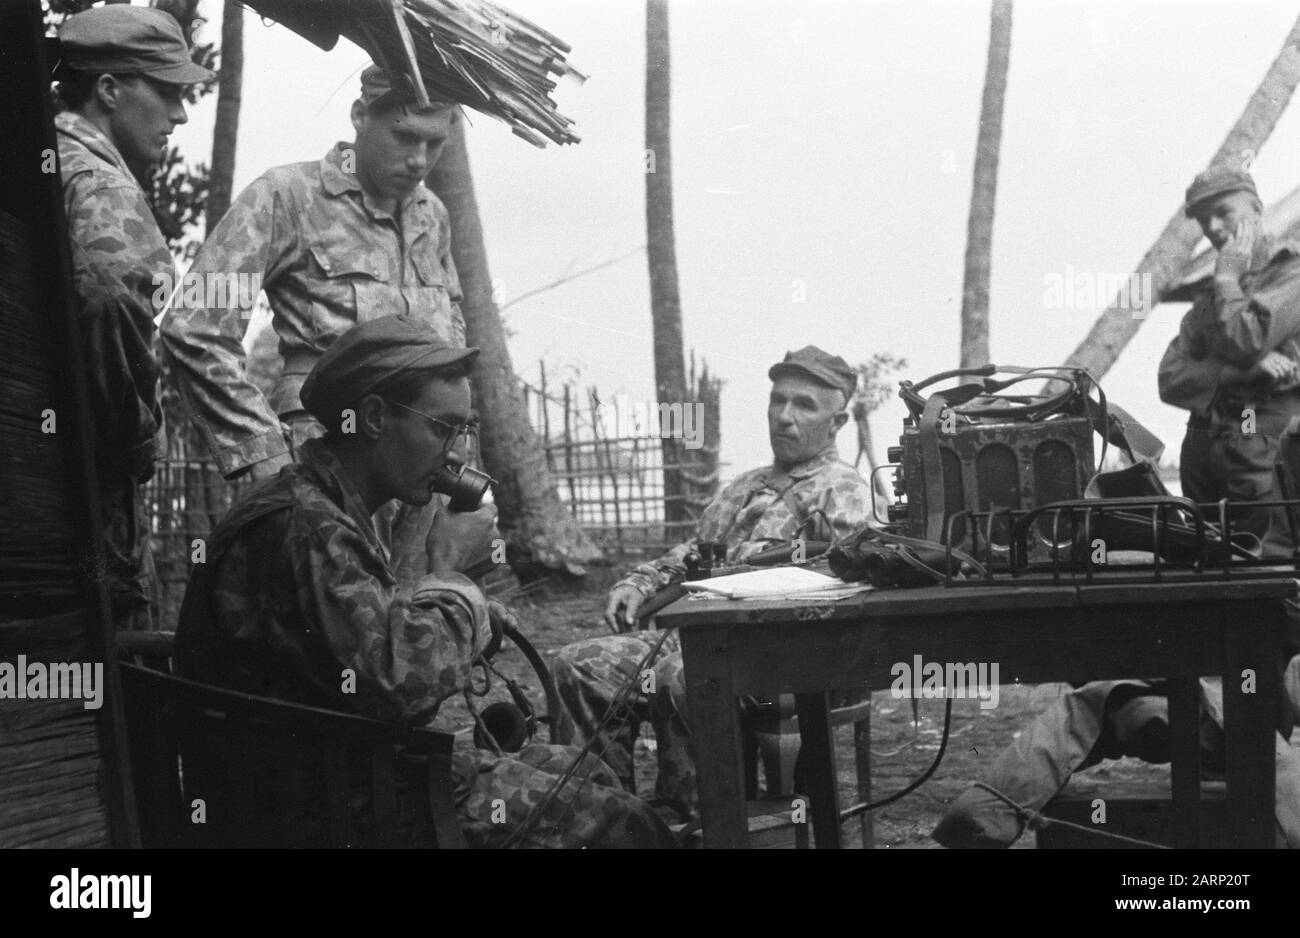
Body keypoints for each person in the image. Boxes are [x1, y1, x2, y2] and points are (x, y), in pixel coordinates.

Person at [174, 317, 678, 848]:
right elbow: (403, 686)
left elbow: (357, 644)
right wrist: (452, 575)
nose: (458, 454)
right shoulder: (308, 528)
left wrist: (463, 607)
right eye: (442, 427)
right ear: (372, 417)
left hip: (341, 771)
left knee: (584, 771)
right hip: (326, 808)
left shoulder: (324, 510)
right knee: (625, 825)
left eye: (464, 430)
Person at [933, 165, 1300, 848]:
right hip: (1215, 506)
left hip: (1270, 517)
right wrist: (1244, 369)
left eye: (1229, 214)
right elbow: (1174, 376)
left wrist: (1231, 307)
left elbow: (1246, 333)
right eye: (1208, 222)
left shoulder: (1288, 275)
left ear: (1257, 208)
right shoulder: (1215, 305)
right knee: (1161, 661)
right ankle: (990, 813)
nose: (1220, 231)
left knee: (1246, 654)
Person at [160, 64, 463, 588]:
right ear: (360, 116)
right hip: (322, 458)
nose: (419, 160)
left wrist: (457, 465)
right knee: (316, 634)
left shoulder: (431, 215)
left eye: (435, 144)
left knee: (399, 636)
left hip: (417, 468)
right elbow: (195, 324)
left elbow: (452, 343)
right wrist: (263, 453)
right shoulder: (287, 195)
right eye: (405, 136)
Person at [552, 346, 875, 820]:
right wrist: (639, 583)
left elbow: (842, 585)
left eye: (804, 405)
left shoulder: (841, 490)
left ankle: (702, 823)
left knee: (682, 677)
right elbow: (692, 551)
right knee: (578, 666)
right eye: (777, 400)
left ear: (838, 422)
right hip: (698, 638)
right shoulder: (745, 485)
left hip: (779, 655)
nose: (784, 417)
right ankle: (605, 821)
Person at [54, 5, 214, 629]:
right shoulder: (101, 186)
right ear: (110, 90)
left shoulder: (40, 163)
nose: (178, 113)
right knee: (115, 663)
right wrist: (133, 439)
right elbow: (111, 296)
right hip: (85, 495)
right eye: (169, 92)